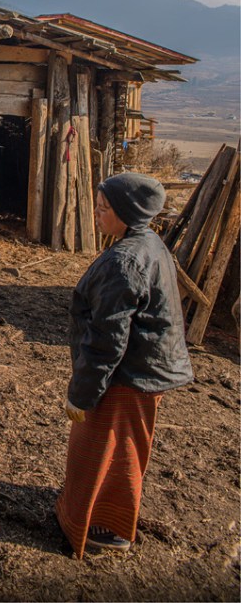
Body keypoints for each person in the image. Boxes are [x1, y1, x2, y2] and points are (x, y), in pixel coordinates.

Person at [55, 172, 193, 558]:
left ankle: (102, 527)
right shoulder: (148, 245)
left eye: (104, 208)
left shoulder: (125, 261)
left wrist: (81, 395)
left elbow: (106, 341)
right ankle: (105, 516)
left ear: (128, 213)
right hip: (142, 371)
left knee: (104, 451)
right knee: (122, 450)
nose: (97, 214)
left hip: (125, 378)